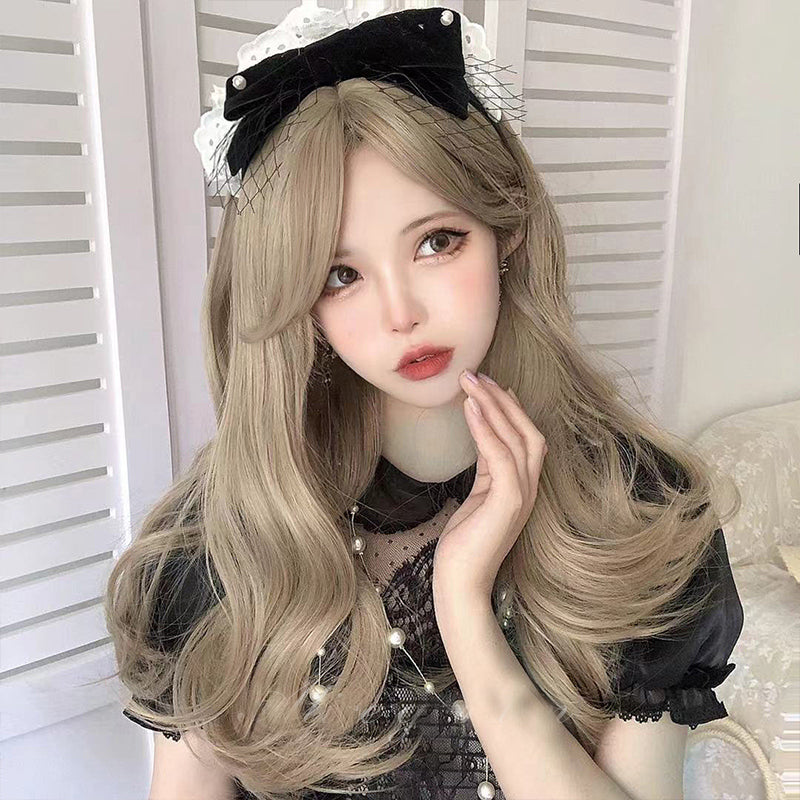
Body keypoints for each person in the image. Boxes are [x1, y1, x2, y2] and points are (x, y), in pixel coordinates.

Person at [104, 4, 744, 799]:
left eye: (437, 241)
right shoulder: (225, 537)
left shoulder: (639, 510)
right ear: (299, 305)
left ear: (506, 232)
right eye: (341, 275)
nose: (400, 312)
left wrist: (464, 609)